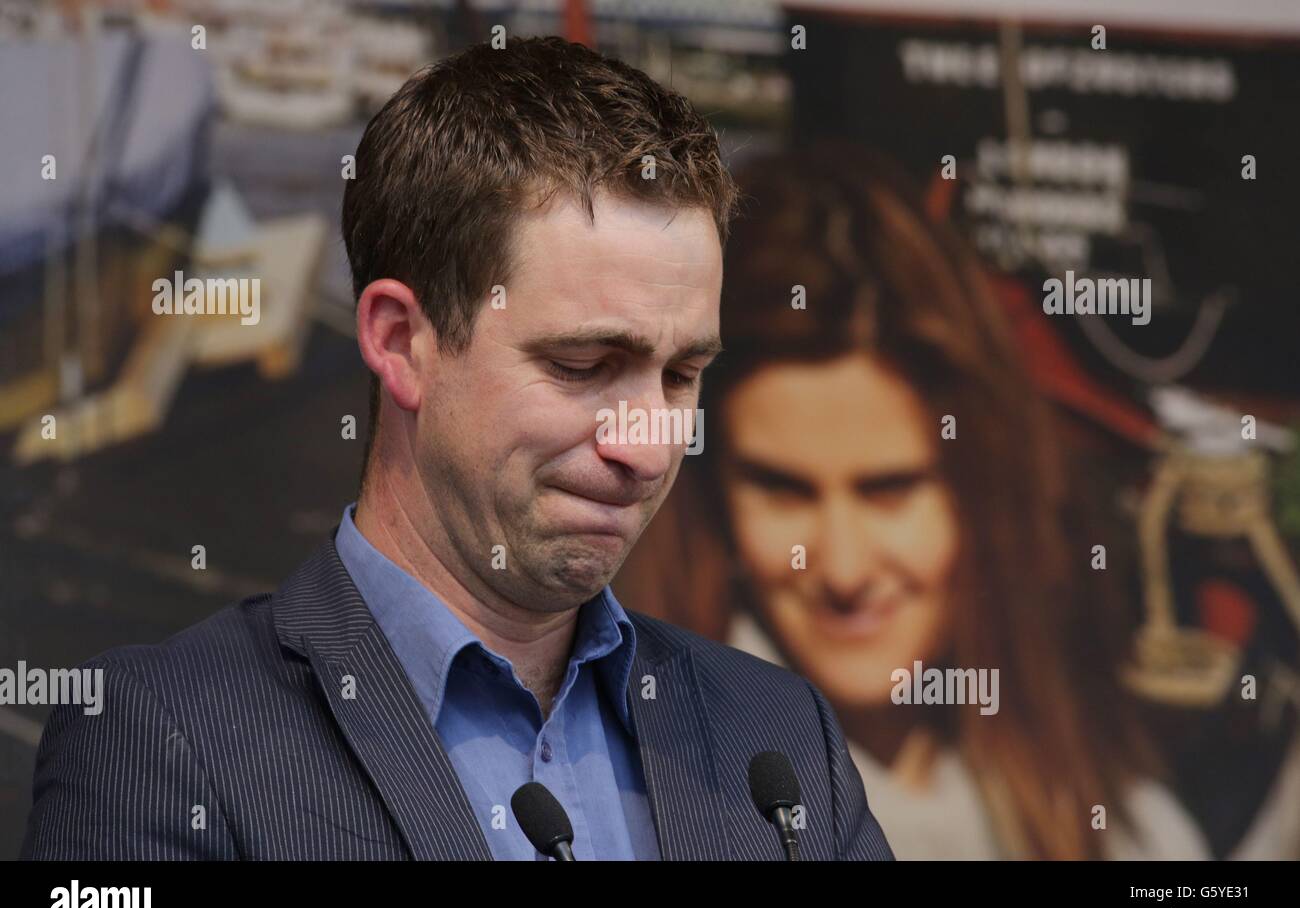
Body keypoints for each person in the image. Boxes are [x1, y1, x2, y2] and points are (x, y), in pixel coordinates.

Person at [21, 39, 893, 862]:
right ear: (402, 341)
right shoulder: (166, 737)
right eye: (584, 365)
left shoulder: (777, 739)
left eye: (679, 375)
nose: (649, 447)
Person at [615, 143, 1209, 860]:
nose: (843, 567)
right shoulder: (631, 799)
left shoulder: (1124, 826)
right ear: (708, 495)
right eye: (782, 488)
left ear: (980, 487)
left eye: (890, 489)